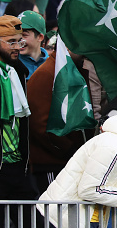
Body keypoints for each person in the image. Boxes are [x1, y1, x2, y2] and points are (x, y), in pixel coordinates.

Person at [26, 41, 87, 196]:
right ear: (67, 46)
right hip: (51, 163)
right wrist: (69, 150)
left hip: (67, 161)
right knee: (53, 214)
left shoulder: (72, 71)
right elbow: (40, 125)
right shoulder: (46, 74)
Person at [0, 15, 37, 228]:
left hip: (17, 165)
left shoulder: (18, 72)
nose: (18, 47)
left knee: (32, 227)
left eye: (19, 41)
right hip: (0, 166)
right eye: (11, 42)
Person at [17, 10, 47, 78]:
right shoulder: (11, 64)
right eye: (16, 34)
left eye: (24, 35)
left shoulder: (52, 64)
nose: (19, 40)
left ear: (40, 37)